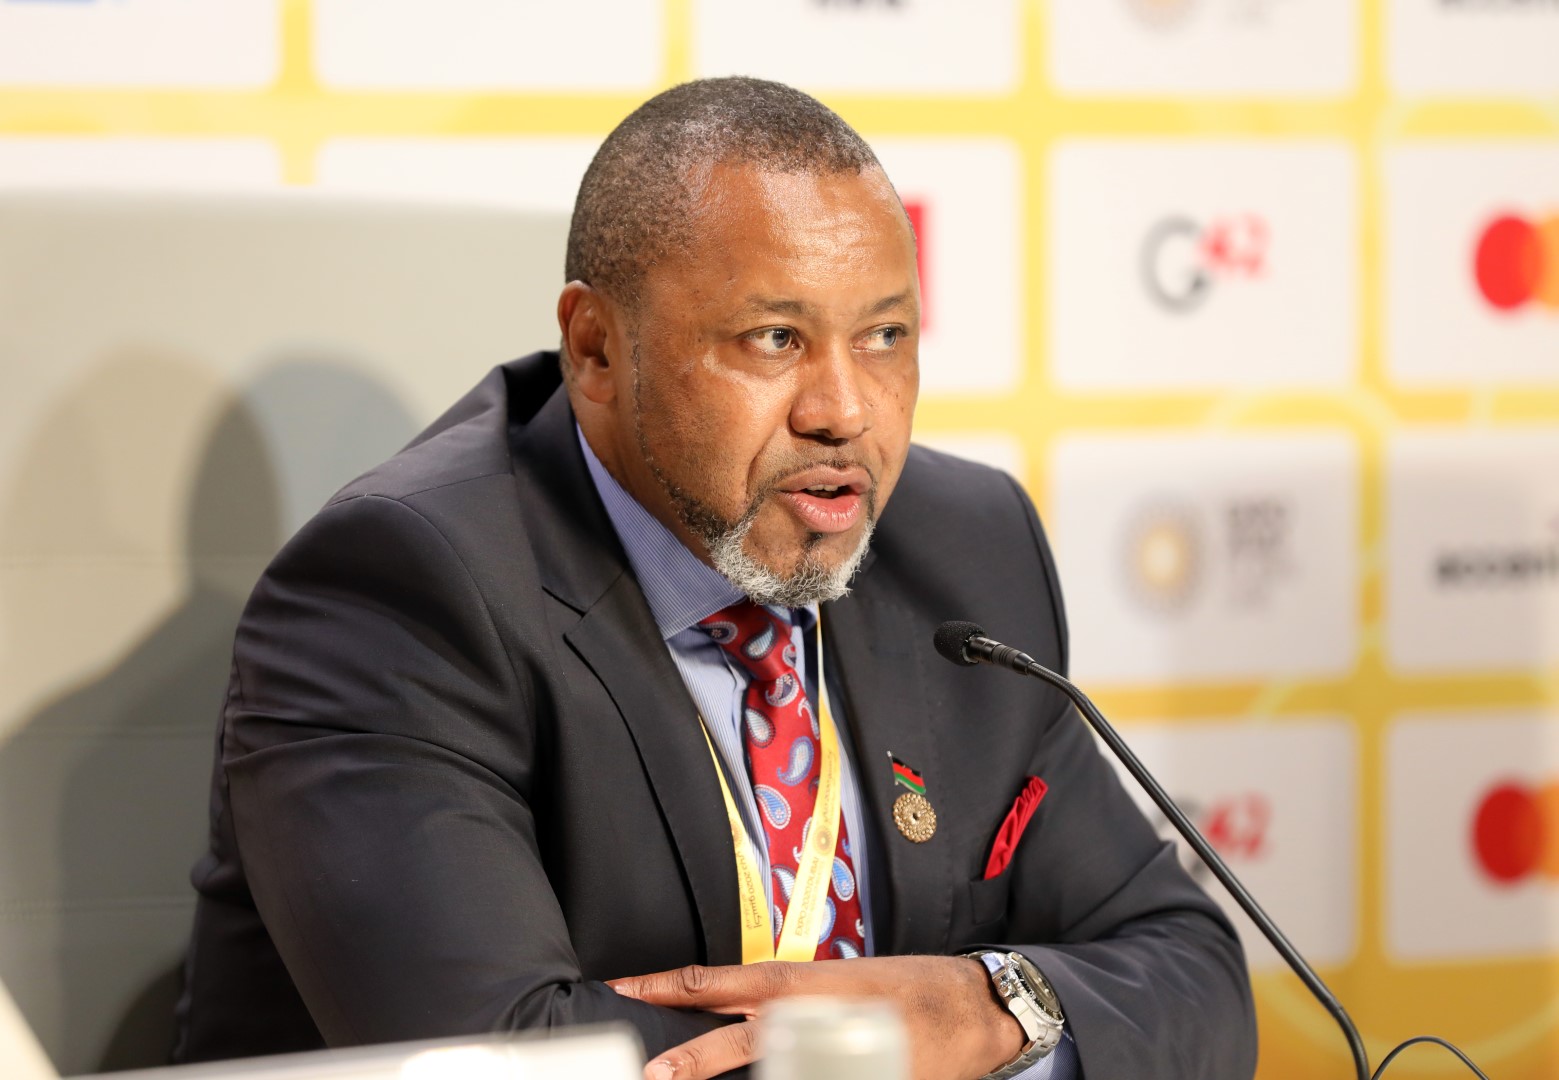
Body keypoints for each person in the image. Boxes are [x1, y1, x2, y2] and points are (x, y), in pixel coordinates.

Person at [173, 77, 1256, 1079]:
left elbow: (1190, 977)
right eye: (774, 338)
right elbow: (500, 1059)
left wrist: (988, 1007)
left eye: (885, 335)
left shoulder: (963, 545)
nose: (843, 411)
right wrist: (879, 1047)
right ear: (597, 350)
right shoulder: (401, 592)